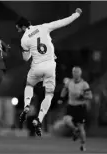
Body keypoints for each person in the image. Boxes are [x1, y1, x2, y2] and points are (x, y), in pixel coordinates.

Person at [16, 8, 83, 137]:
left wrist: (27, 50)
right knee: (49, 95)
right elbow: (63, 22)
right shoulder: (44, 27)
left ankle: (27, 105)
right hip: (50, 66)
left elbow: (26, 58)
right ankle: (40, 118)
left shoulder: (24, 39)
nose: (18, 30)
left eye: (18, 28)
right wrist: (76, 14)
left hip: (37, 67)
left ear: (23, 27)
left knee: (29, 85)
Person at [58, 66, 93, 151]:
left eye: (77, 72)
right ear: (72, 73)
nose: (75, 74)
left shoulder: (84, 84)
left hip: (80, 107)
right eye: (74, 72)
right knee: (66, 120)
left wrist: (81, 96)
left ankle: (83, 145)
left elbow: (90, 96)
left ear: (80, 73)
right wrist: (61, 99)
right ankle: (75, 129)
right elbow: (64, 90)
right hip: (71, 106)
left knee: (81, 127)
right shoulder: (69, 82)